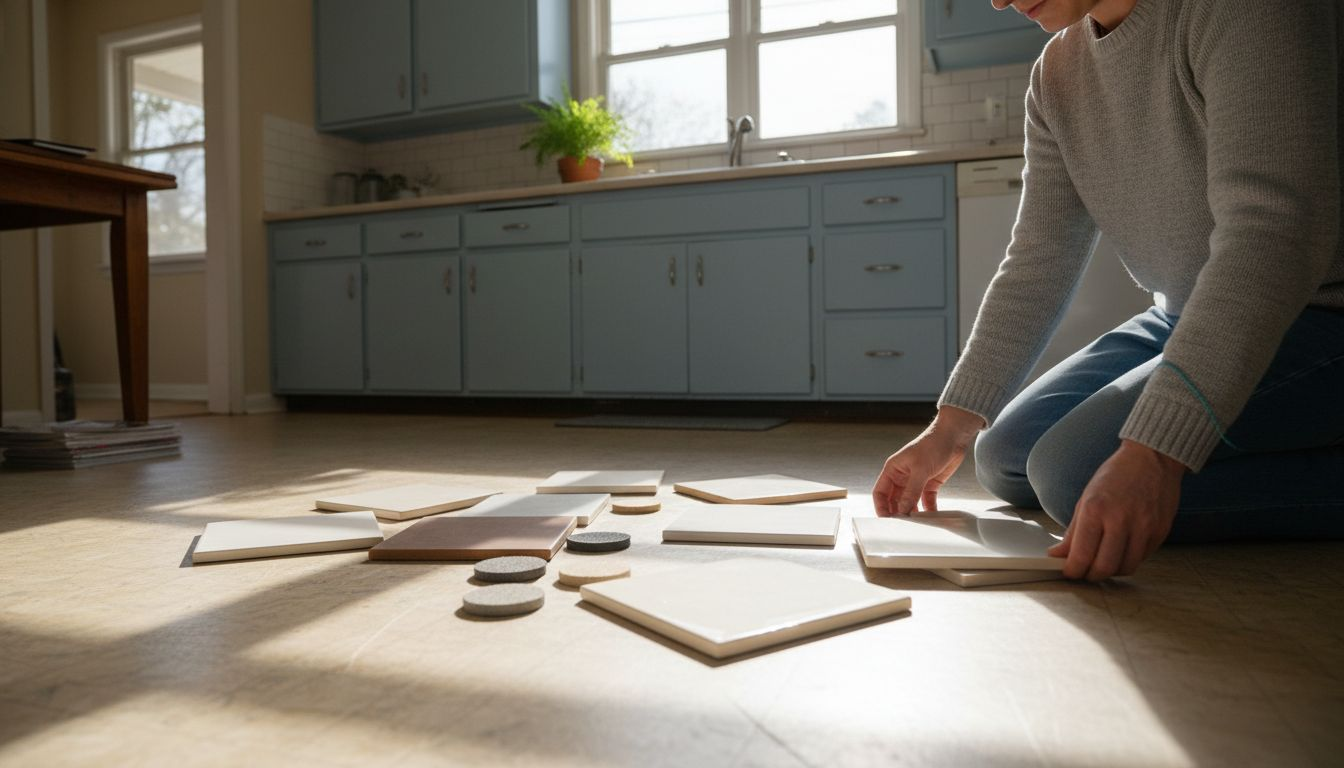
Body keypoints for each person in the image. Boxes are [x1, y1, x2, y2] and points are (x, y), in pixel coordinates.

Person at [872, 0, 1344, 581]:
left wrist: (1156, 453)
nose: (995, 0)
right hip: (1179, 311)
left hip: (1322, 310)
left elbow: (1271, 235)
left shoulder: (1243, 11)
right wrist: (950, 426)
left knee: (1069, 476)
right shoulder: (1056, 74)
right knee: (1006, 458)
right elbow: (1038, 260)